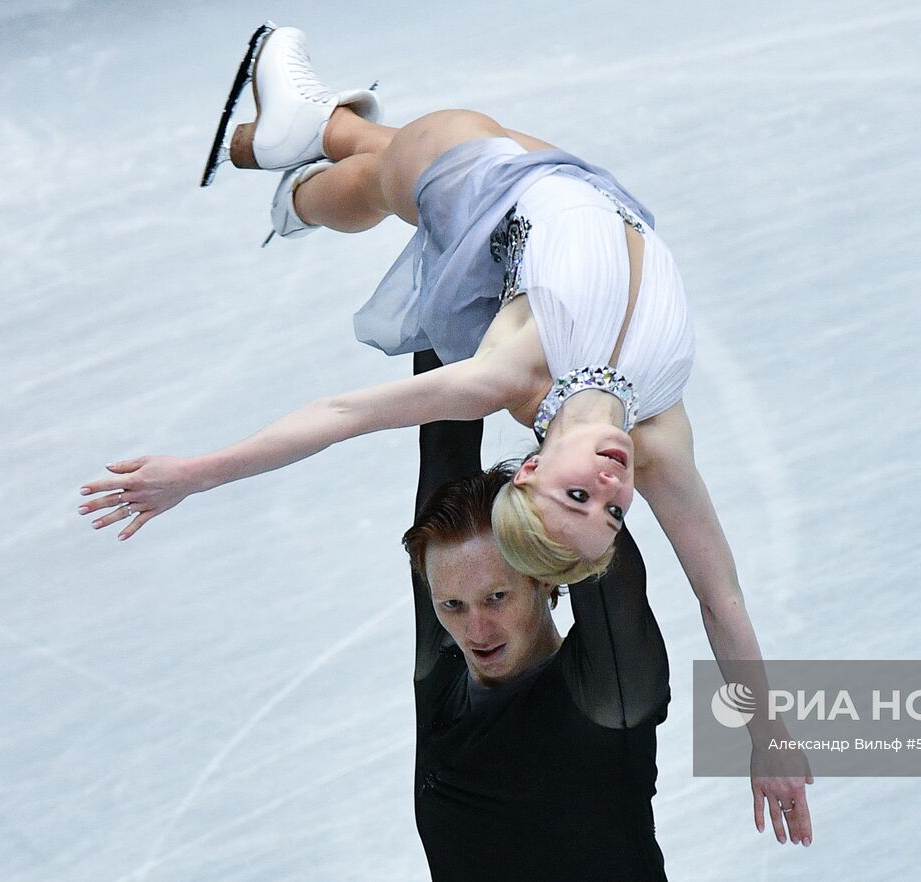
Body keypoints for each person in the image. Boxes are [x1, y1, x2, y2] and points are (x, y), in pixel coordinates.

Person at [77, 22, 812, 841]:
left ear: (530, 470)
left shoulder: (503, 376)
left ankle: (300, 178)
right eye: (609, 510)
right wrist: (768, 733)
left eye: (579, 494)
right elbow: (723, 596)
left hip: (489, 200)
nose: (610, 485)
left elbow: (341, 415)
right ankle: (302, 144)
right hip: (596, 194)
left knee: (414, 164)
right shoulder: (657, 440)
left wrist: (197, 473)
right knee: (389, 152)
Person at [403, 433, 669, 878]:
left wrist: (565, 392)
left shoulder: (605, 696)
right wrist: (443, 360)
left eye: (496, 597)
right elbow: (445, 440)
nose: (475, 631)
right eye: (452, 605)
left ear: (545, 576)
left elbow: (583, 513)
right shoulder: (444, 672)